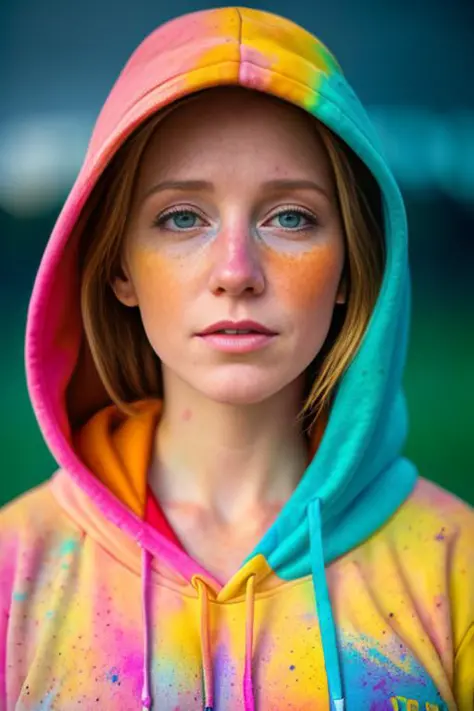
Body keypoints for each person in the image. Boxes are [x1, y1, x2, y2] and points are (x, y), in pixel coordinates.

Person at [0, 6, 472, 710]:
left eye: (290, 216)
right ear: (119, 266)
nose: (236, 270)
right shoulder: (14, 569)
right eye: (182, 216)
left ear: (351, 269)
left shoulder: (455, 566)